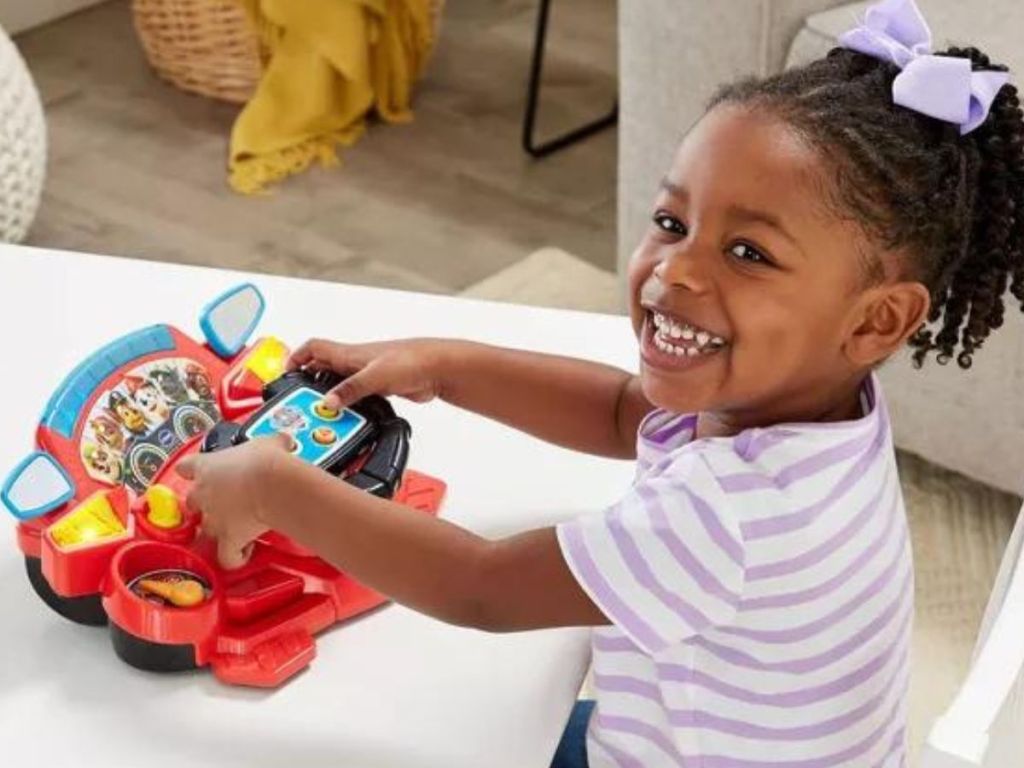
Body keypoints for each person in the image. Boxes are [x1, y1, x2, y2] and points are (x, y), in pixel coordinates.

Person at [176, 0, 1024, 764]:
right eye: (671, 222)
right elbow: (627, 410)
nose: (673, 273)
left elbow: (481, 588)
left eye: (748, 253)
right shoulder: (822, 407)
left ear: (877, 321)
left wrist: (275, 487)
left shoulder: (729, 513)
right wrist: (441, 363)